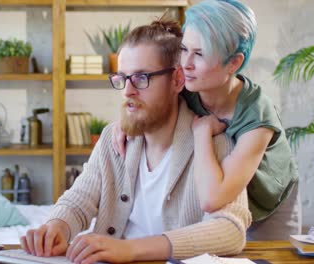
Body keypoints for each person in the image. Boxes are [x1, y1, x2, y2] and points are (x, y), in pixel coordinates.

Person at [20, 18, 251, 263]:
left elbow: (230, 229)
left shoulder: (214, 143)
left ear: (177, 80)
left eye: (141, 78)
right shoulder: (113, 138)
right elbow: (78, 201)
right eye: (122, 78)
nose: (128, 91)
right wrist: (57, 226)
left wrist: (130, 249)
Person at [112, 0, 300, 240]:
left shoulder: (257, 117)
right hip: (221, 198)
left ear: (234, 63)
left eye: (200, 54)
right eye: (184, 49)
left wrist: (201, 133)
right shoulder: (189, 85)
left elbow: (212, 199)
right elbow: (146, 102)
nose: (186, 64)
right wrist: (125, 123)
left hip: (267, 203)